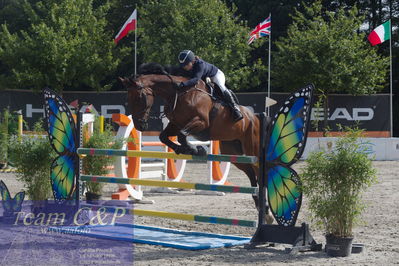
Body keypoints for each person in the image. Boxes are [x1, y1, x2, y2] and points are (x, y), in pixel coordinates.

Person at [177, 50, 243, 122]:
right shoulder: (188, 67)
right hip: (205, 78)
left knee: (222, 88)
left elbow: (196, 80)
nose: (184, 67)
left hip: (215, 75)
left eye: (186, 64)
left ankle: (235, 108)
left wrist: (183, 84)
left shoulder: (200, 64)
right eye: (183, 65)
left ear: (192, 61)